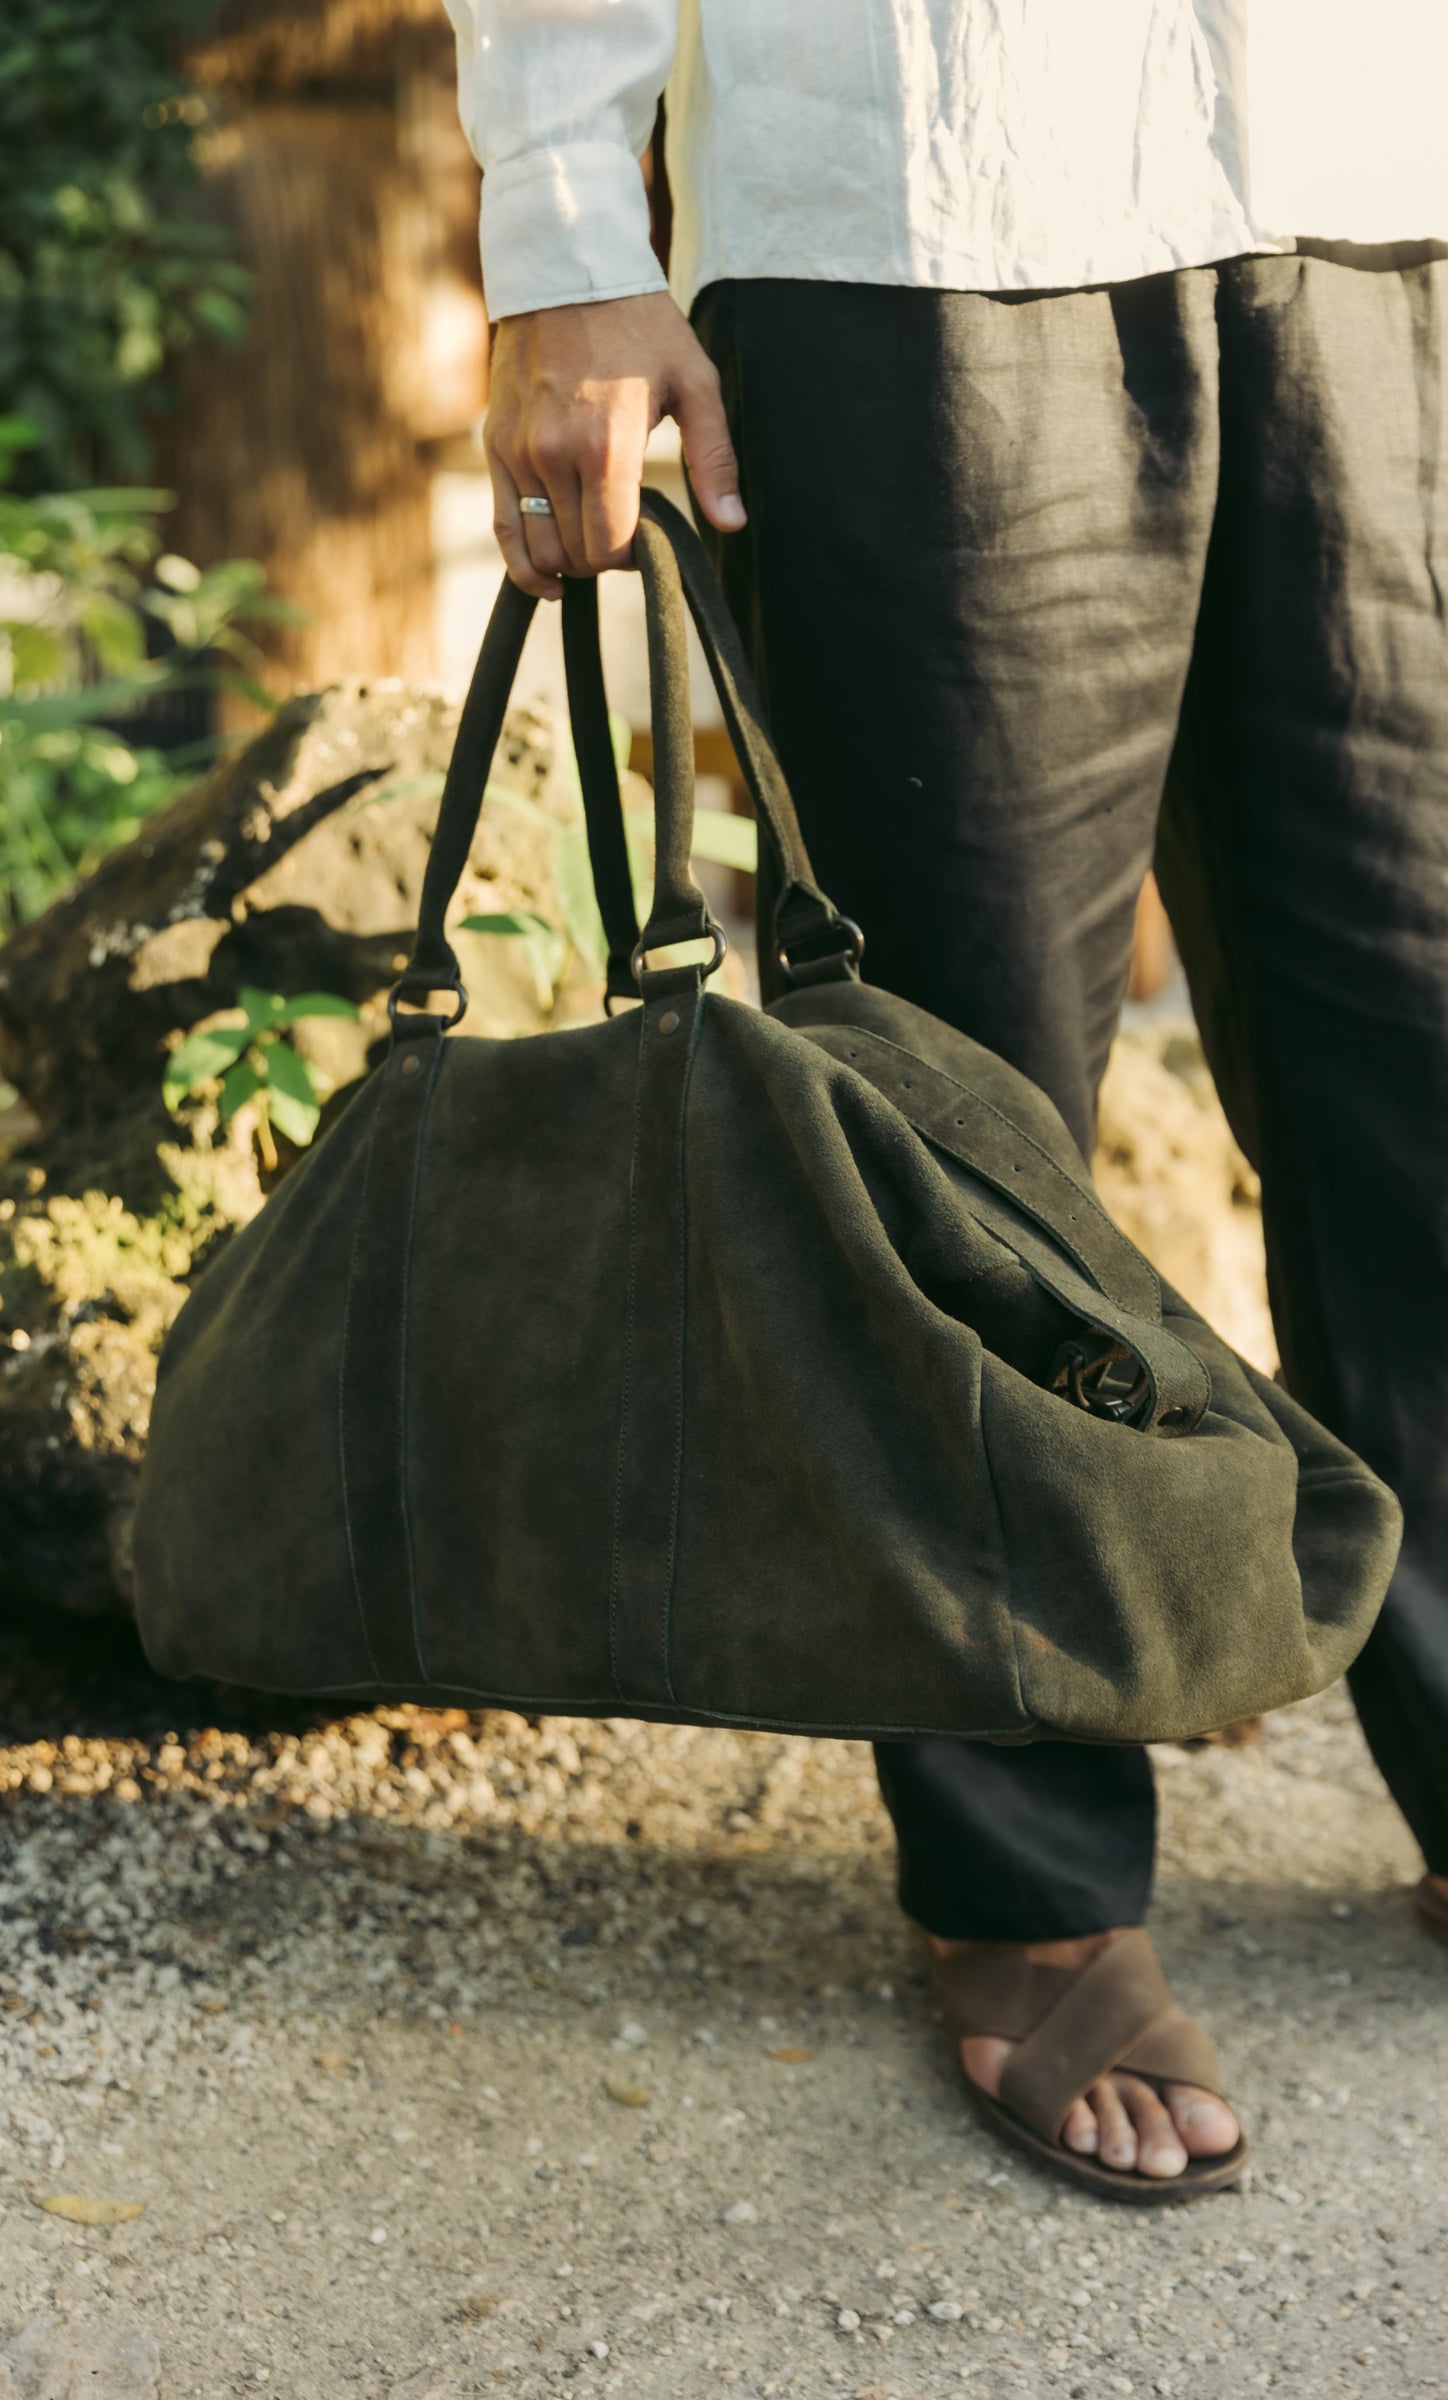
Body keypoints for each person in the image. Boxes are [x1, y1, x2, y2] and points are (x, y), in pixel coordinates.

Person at [442, 0, 1448, 2197]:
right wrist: (559, 235)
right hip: (923, 202)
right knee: (965, 1110)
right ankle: (1025, 1886)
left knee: (1419, 1056)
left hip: (1384, 188)